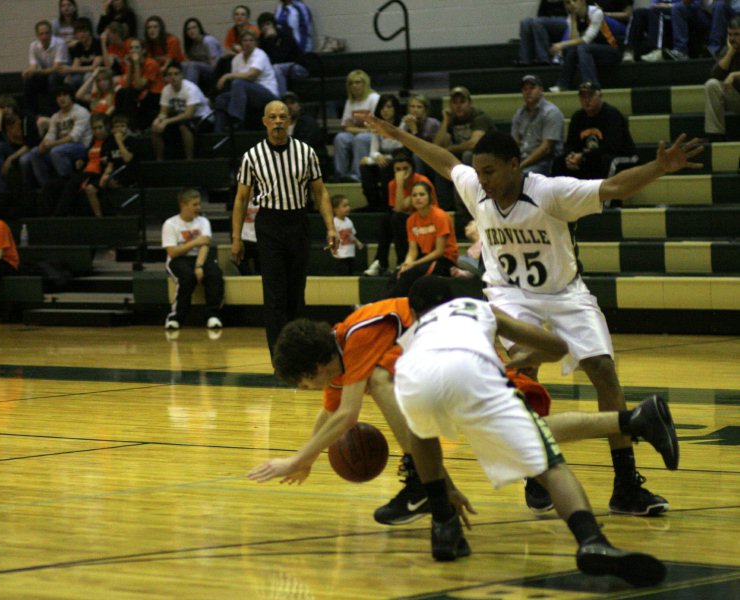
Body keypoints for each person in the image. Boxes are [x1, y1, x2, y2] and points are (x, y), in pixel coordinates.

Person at [365, 111, 703, 517]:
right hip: (510, 295)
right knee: (525, 367)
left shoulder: (551, 192)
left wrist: (659, 168)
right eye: (479, 172)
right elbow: (444, 161)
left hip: (564, 292)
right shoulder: (477, 187)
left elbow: (613, 186)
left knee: (603, 371)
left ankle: (626, 486)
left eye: (490, 171)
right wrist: (395, 132)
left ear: (514, 164)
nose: (482, 179)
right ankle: (536, 469)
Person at [248, 285, 679, 530]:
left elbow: (346, 416)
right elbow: (332, 415)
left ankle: (422, 482)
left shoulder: (358, 337)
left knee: (527, 433)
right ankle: (635, 419)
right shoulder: (342, 362)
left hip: (464, 359)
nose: (308, 389)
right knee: (529, 432)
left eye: (305, 381)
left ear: (319, 364)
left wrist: (296, 459)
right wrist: (310, 454)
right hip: (450, 374)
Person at [392, 278, 668, 588]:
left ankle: (443, 523)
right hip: (472, 370)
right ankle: (591, 539)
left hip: (412, 372)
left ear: (415, 312)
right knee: (551, 467)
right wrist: (528, 358)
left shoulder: (412, 334)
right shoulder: (479, 308)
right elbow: (557, 346)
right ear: (451, 299)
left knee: (421, 433)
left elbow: (416, 422)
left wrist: (447, 489)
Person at [230, 100, 339, 356]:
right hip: (269, 224)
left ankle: (299, 353)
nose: (278, 121)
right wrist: (236, 238)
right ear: (265, 122)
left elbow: (320, 192)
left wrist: (331, 228)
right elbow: (241, 199)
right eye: (273, 117)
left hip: (298, 221)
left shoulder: (306, 152)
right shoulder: (252, 156)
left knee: (296, 292)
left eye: (282, 116)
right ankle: (280, 357)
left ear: (289, 120)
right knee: (275, 294)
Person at [364, 151, 439, 277]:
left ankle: (402, 261)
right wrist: (399, 184)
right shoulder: (392, 184)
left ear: (413, 169)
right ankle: (381, 262)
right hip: (410, 222)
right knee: (387, 218)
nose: (402, 172)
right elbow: (398, 209)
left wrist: (399, 184)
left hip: (427, 221)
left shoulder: (421, 182)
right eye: (398, 169)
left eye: (405, 168)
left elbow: (399, 209)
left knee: (396, 218)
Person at [162, 188, 225, 330]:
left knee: (214, 273)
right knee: (186, 277)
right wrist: (195, 242)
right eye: (195, 204)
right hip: (178, 260)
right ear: (183, 205)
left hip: (199, 258)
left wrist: (199, 266)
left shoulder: (203, 222)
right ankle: (175, 318)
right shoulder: (170, 224)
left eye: (199, 204)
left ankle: (212, 315)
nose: (199, 208)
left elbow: (205, 245)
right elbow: (172, 252)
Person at [383, 181, 458, 298]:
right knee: (397, 274)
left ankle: (383, 303)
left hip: (444, 260)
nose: (418, 198)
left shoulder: (440, 216)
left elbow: (439, 252)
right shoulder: (411, 220)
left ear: (430, 197)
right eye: (414, 195)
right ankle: (389, 303)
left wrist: (414, 264)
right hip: (425, 259)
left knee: (410, 274)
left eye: (422, 195)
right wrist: (407, 264)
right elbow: (413, 251)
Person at [555, 81, 637, 179]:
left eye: (590, 96)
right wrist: (570, 156)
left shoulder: (612, 115)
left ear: (600, 96)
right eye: (583, 97)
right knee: (559, 162)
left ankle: (606, 193)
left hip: (623, 157)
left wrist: (583, 156)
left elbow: (612, 147)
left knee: (607, 161)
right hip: (592, 157)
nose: (587, 100)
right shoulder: (577, 117)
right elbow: (571, 144)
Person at [21, 86, 91, 191]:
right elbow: (50, 135)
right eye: (59, 96)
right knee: (35, 152)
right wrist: (43, 144)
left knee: (56, 151)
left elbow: (74, 137)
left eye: (64, 95)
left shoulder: (81, 112)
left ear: (71, 96)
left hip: (81, 148)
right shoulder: (56, 116)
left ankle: (68, 185)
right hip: (62, 147)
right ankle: (47, 187)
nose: (61, 98)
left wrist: (53, 144)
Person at [42, 112, 109, 217]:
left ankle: (59, 215)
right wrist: (81, 162)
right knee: (51, 185)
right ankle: (47, 216)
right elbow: (88, 158)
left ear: (107, 127)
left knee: (72, 184)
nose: (97, 131)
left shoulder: (111, 142)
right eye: (94, 129)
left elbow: (111, 160)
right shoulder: (93, 142)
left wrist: (105, 160)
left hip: (96, 174)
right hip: (85, 172)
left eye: (100, 128)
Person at [549, 0, 622, 92]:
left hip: (610, 51)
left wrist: (561, 44)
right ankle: (562, 84)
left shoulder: (596, 12)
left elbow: (587, 39)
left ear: (583, 1)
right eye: (567, 2)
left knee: (583, 48)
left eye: (575, 0)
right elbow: (573, 42)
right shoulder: (570, 19)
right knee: (573, 50)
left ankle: (590, 84)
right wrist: (573, 20)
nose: (571, 4)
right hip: (590, 53)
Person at [214, 31, 280, 133]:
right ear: (240, 43)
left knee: (239, 83)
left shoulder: (260, 55)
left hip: (267, 93)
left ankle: (235, 120)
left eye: (251, 40)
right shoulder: (236, 59)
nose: (248, 43)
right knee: (221, 98)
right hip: (247, 95)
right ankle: (218, 133)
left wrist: (227, 75)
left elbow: (251, 75)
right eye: (245, 40)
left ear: (255, 43)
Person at [152, 63, 212, 161]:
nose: (173, 77)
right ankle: (159, 161)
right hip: (182, 117)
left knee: (184, 125)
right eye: (170, 75)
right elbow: (163, 112)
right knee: (156, 127)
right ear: (167, 77)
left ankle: (189, 160)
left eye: (176, 74)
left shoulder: (191, 89)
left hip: (203, 117)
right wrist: (158, 120)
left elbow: (188, 115)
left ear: (181, 75)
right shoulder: (166, 90)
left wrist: (166, 121)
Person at [332, 70, 380, 182]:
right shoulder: (350, 101)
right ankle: (340, 175)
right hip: (360, 133)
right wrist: (362, 129)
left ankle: (357, 175)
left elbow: (375, 126)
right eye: (351, 83)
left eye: (358, 82)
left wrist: (354, 128)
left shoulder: (374, 98)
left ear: (365, 83)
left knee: (360, 139)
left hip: (374, 135)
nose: (354, 85)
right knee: (340, 138)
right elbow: (345, 126)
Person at [512, 74, 564, 175]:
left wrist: (521, 166)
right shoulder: (519, 114)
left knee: (522, 176)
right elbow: (514, 143)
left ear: (541, 90)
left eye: (532, 88)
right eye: (525, 89)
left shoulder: (551, 112)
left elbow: (546, 148)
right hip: (523, 159)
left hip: (546, 161)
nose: (528, 92)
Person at [0, 95, 41, 194]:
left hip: (28, 149)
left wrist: (10, 158)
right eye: (2, 108)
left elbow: (31, 143)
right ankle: (1, 188)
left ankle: (28, 188)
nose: (6, 110)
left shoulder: (26, 118)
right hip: (12, 149)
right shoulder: (0, 122)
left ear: (13, 108)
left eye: (8, 107)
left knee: (23, 160)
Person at [360, 94, 404, 211]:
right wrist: (376, 157)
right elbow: (373, 151)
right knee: (364, 166)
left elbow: (401, 148)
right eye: (382, 107)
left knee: (384, 166)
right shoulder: (377, 126)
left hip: (399, 159)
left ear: (395, 109)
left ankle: (387, 205)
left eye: (389, 107)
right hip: (383, 159)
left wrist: (382, 157)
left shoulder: (402, 125)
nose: (385, 110)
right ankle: (373, 204)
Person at [434, 86, 496, 166]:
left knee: (467, 155)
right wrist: (445, 120)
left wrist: (449, 149)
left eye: (462, 102)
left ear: (469, 103)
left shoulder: (479, 117)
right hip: (462, 153)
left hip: (489, 153)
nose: (458, 106)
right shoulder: (451, 118)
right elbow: (436, 145)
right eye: (455, 102)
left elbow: (474, 144)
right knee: (441, 156)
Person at [23, 20, 70, 116]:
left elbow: (56, 68)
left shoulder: (60, 43)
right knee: (29, 80)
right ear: (37, 35)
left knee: (53, 78)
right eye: (41, 34)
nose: (44, 36)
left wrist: (36, 71)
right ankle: (32, 113)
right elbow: (33, 65)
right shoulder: (33, 46)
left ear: (51, 33)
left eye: (47, 33)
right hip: (44, 73)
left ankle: (52, 113)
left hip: (61, 73)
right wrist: (28, 72)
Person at [704, 16, 740, 141]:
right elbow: (715, 74)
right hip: (737, 98)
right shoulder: (729, 49)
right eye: (730, 34)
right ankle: (716, 135)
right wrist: (731, 52)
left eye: (736, 35)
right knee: (712, 85)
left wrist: (734, 74)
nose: (732, 39)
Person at [257, 12, 308, 97]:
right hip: (280, 68)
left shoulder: (285, 34)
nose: (266, 28)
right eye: (262, 26)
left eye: (268, 24)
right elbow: (263, 58)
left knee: (277, 68)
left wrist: (271, 40)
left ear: (274, 24)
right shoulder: (262, 39)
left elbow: (279, 58)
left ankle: (282, 100)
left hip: (298, 67)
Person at [518, 0, 569, 65]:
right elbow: (540, 15)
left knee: (537, 22)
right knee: (525, 22)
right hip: (548, 23)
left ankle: (543, 58)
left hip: (566, 21)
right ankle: (525, 60)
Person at [402, 94, 441, 177]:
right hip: (411, 155)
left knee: (418, 156)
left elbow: (424, 148)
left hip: (432, 158)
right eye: (412, 107)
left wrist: (414, 130)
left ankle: (419, 184)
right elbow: (404, 147)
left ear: (425, 110)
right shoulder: (405, 123)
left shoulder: (432, 124)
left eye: (419, 107)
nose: (415, 110)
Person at [99, 113, 142, 190]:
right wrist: (104, 176)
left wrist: (119, 141)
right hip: (116, 173)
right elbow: (110, 164)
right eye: (117, 126)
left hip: (130, 173)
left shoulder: (133, 141)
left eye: (122, 126)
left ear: (127, 128)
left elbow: (127, 159)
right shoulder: (110, 144)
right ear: (113, 129)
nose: (120, 128)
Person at [181, 17, 223, 92]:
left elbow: (216, 65)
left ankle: (190, 94)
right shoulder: (191, 45)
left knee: (193, 65)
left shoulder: (208, 41)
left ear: (199, 29)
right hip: (200, 71)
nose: (191, 31)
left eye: (194, 28)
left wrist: (198, 64)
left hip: (216, 72)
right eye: (188, 29)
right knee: (183, 65)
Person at [62, 18, 104, 89]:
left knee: (87, 76)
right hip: (83, 72)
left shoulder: (97, 43)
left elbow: (94, 67)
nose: (81, 34)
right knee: (68, 80)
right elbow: (76, 65)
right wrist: (69, 73)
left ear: (90, 32)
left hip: (97, 73)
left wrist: (71, 69)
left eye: (84, 31)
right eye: (78, 32)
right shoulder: (78, 46)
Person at [330, 194, 364, 275]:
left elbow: (351, 235)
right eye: (344, 206)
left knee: (350, 273)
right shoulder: (334, 222)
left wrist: (357, 242)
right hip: (340, 255)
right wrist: (333, 247)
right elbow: (331, 237)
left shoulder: (349, 221)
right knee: (342, 274)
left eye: (348, 205)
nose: (348, 208)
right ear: (335, 209)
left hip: (350, 253)